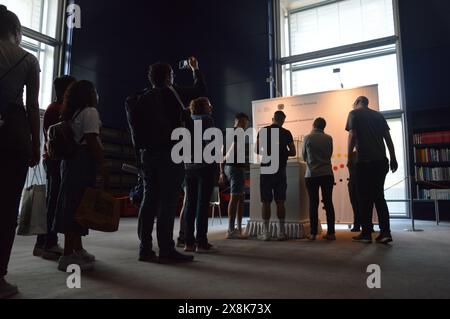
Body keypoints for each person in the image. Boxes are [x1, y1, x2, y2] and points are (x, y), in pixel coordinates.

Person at [127, 57, 206, 263]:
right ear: (169, 77)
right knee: (168, 202)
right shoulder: (172, 92)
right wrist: (195, 69)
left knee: (148, 200)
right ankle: (166, 249)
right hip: (170, 153)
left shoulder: (141, 98)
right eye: (172, 75)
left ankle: (145, 249)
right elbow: (200, 90)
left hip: (147, 155)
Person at [0, 5, 41, 299]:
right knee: (4, 210)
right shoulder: (27, 59)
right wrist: (36, 147)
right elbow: (31, 109)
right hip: (11, 137)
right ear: (16, 32)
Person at [54, 80, 105, 272]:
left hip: (70, 162)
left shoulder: (72, 113)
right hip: (83, 161)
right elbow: (92, 140)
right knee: (78, 206)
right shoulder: (90, 112)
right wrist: (103, 163)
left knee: (74, 203)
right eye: (93, 90)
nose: (96, 94)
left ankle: (77, 248)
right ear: (88, 94)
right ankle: (68, 255)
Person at [33, 75, 76, 260]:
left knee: (53, 201)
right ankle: (46, 243)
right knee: (53, 203)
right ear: (65, 91)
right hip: (54, 161)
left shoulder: (53, 108)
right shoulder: (57, 110)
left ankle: (44, 242)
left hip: (51, 159)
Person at [346, 96, 398, 244]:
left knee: (364, 198)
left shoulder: (354, 114)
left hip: (364, 162)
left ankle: (366, 233)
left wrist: (349, 158)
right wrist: (393, 157)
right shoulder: (378, 115)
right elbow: (387, 138)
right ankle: (385, 232)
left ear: (356, 103)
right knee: (379, 197)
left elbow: (352, 135)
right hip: (381, 162)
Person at [184, 97, 218, 253]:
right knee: (202, 205)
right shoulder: (207, 121)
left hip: (188, 167)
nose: (211, 107)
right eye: (208, 105)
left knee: (190, 204)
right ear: (202, 108)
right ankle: (201, 243)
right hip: (205, 167)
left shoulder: (187, 120)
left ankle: (188, 243)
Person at [256, 111, 296, 241]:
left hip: (266, 168)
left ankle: (266, 233)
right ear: (283, 120)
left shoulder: (263, 130)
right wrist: (283, 152)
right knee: (280, 201)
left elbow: (256, 149)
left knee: (266, 202)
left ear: (273, 119)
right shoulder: (287, 133)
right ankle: (281, 232)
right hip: (281, 169)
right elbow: (293, 152)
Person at [302, 118, 336, 241]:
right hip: (327, 173)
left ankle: (313, 233)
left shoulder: (307, 138)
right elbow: (329, 154)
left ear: (313, 125)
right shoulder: (329, 138)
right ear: (323, 126)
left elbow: (304, 157)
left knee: (313, 203)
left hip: (312, 174)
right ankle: (331, 232)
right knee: (328, 202)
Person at [220, 113, 250, 240]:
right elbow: (232, 150)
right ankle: (231, 230)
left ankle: (237, 228)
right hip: (236, 168)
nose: (246, 125)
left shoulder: (227, 132)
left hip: (230, 168)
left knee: (240, 198)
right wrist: (228, 158)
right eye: (245, 123)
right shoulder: (239, 132)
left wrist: (222, 171)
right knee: (236, 197)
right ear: (242, 121)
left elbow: (221, 152)